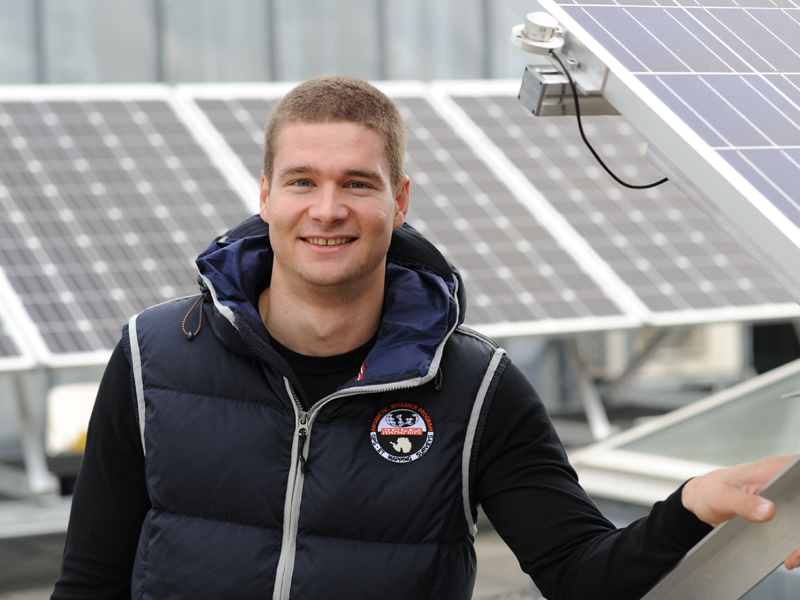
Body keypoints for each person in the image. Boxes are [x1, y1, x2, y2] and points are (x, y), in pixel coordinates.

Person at [52, 75, 800, 600]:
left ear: (399, 201)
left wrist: (691, 507)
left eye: (358, 183)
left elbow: (579, 573)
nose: (328, 208)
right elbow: (90, 581)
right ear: (266, 196)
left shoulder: (476, 389)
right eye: (303, 181)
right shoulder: (155, 356)